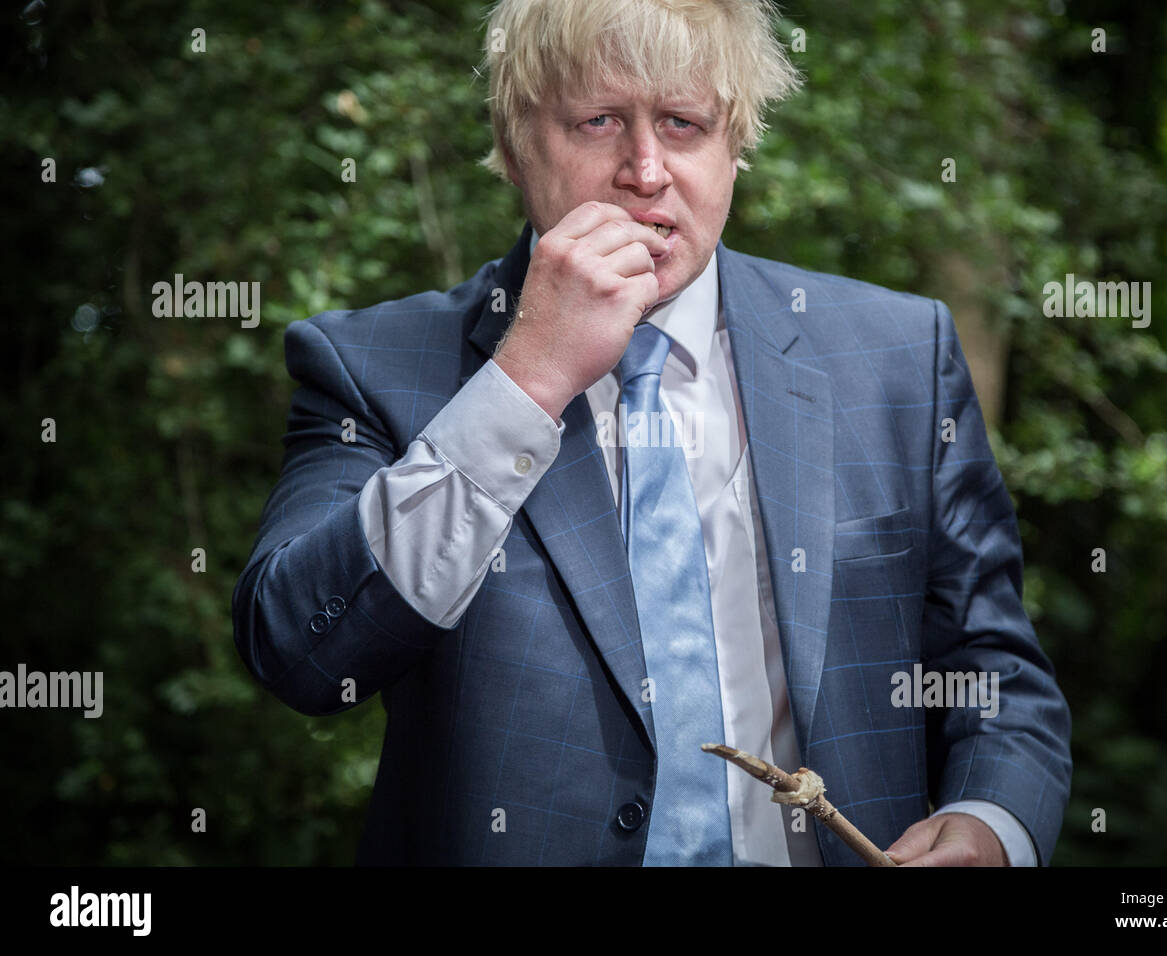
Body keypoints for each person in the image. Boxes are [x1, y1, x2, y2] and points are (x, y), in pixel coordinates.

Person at [232, 0, 1071, 866]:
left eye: (684, 123)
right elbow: (299, 655)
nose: (645, 169)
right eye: (598, 120)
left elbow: (993, 670)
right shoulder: (371, 362)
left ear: (735, 146)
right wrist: (527, 381)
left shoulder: (898, 356)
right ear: (519, 144)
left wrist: (990, 822)